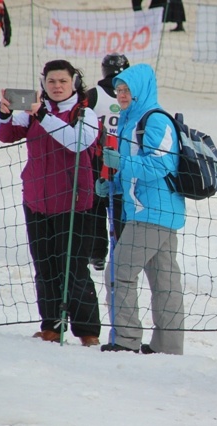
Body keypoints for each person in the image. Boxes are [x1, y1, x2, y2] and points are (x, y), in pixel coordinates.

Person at [0, 59, 101, 346]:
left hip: (74, 203)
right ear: (44, 83)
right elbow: (4, 134)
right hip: (36, 201)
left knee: (74, 269)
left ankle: (87, 330)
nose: (57, 87)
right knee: (45, 266)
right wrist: (4, 113)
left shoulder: (84, 113)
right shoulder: (33, 112)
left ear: (74, 84)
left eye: (63, 81)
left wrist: (42, 114)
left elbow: (76, 142)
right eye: (52, 81)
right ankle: (51, 326)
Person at [97, 64, 186, 355]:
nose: (121, 95)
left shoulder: (155, 120)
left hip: (151, 211)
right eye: (119, 90)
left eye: (127, 90)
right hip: (151, 210)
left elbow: (162, 164)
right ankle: (168, 346)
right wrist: (114, 188)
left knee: (119, 273)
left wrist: (122, 164)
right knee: (165, 281)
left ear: (141, 91)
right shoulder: (129, 119)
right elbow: (136, 170)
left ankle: (126, 339)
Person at [86, 53, 130, 271]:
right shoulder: (126, 93)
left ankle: (97, 252)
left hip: (97, 159)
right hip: (120, 159)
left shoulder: (94, 94)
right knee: (118, 207)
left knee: (96, 207)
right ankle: (116, 251)